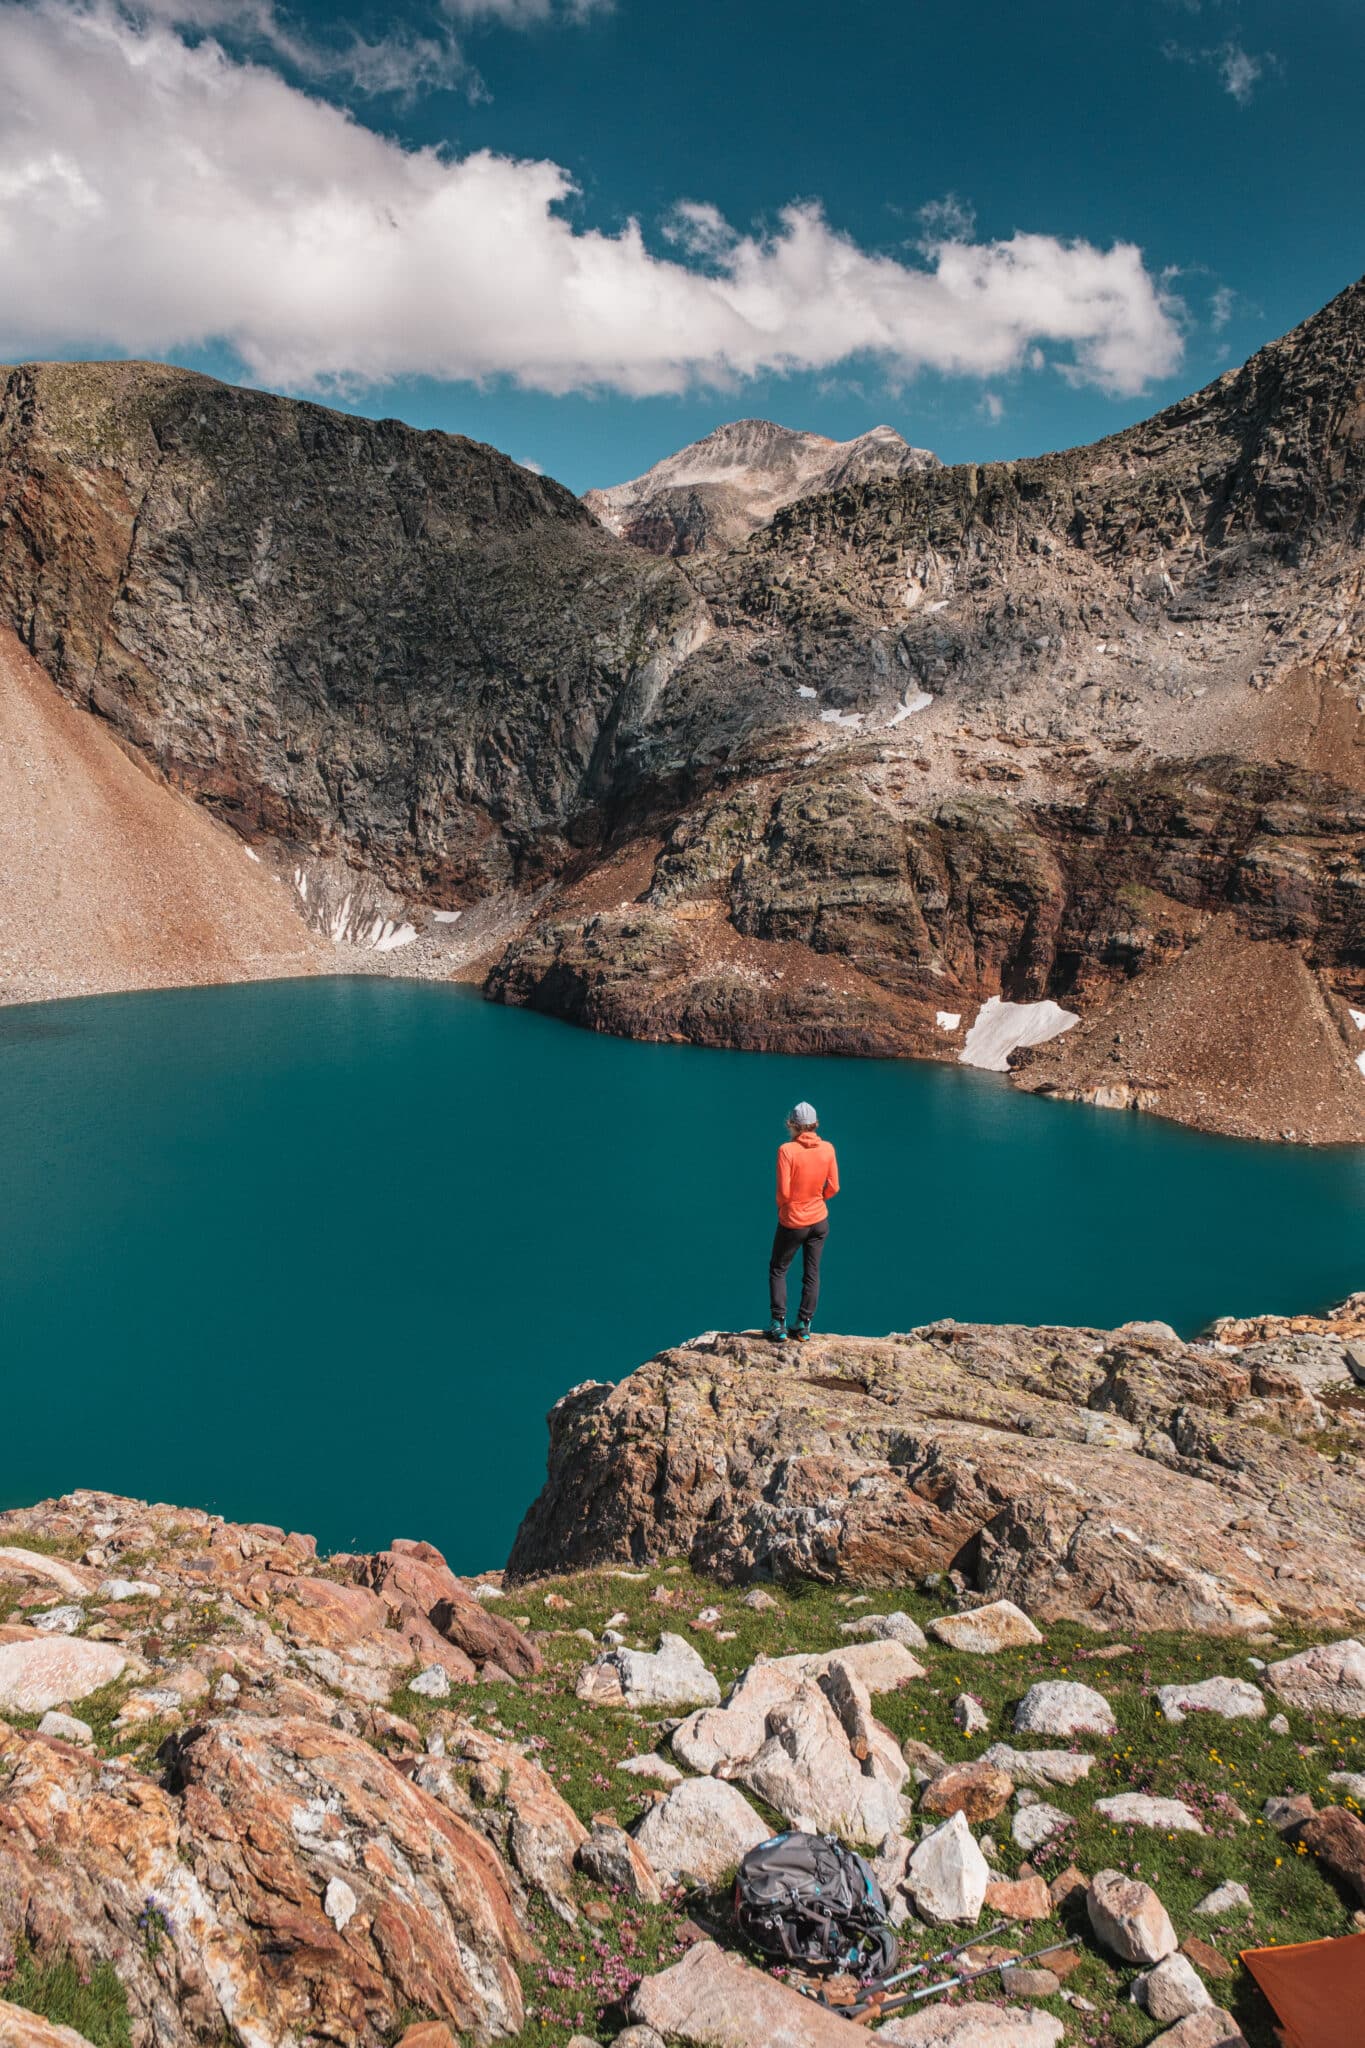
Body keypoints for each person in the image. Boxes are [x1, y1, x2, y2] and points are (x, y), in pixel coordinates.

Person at [768, 1101, 839, 1344]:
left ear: (793, 1125)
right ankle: (804, 1325)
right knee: (812, 1273)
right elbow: (834, 1187)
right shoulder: (828, 1148)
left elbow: (784, 1193)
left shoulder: (787, 1150)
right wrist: (817, 1199)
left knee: (778, 1269)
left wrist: (784, 1209)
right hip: (819, 1220)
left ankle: (779, 1325)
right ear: (815, 1124)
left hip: (794, 1221)